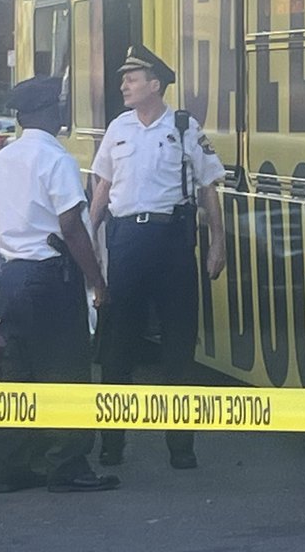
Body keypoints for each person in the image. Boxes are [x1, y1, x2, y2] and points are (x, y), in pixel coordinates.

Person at [90, 45, 226, 469]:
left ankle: (181, 446)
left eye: (132, 78)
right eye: (124, 78)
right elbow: (102, 190)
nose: (124, 85)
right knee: (118, 348)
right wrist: (85, 235)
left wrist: (218, 242)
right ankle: (112, 444)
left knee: (178, 349)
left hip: (172, 243)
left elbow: (208, 189)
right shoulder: (118, 128)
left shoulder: (184, 126)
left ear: (155, 84)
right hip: (127, 241)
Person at [0, 76, 118, 493]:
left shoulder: (0, 161)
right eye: (58, 107)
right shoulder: (56, 159)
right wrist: (97, 280)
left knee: (18, 372)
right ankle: (68, 464)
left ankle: (14, 464)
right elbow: (71, 226)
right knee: (67, 371)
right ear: (48, 113)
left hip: (12, 274)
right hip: (50, 274)